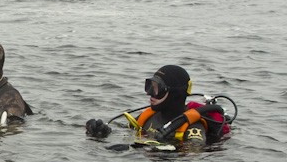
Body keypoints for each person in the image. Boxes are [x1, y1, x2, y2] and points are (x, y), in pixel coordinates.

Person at [85, 64, 231, 146]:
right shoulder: (148, 116)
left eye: (157, 89)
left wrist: (145, 149)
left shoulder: (193, 128)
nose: (150, 94)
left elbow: (193, 153)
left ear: (174, 93)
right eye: (149, 87)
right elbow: (127, 131)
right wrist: (102, 131)